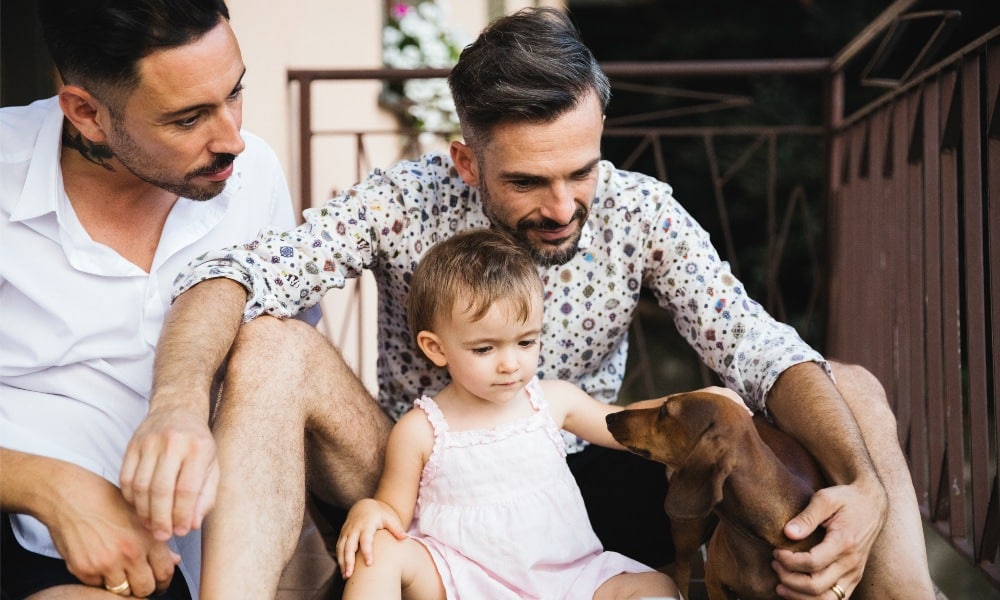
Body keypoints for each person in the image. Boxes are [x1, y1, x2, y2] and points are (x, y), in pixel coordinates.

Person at [123, 7, 937, 600]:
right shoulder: (404, 202)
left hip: (586, 485)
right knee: (270, 343)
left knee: (852, 390)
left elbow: (756, 345)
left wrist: (864, 484)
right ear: (467, 164)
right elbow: (234, 273)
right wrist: (175, 403)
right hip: (426, 479)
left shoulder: (639, 209)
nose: (562, 204)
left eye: (580, 169)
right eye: (526, 181)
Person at [0, 1, 320, 598]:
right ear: (87, 114)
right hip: (33, 543)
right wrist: (53, 488)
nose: (233, 140)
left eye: (235, 93)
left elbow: (281, 373)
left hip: (209, 563)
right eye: (188, 118)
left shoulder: (255, 178)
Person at [334, 228, 680, 600]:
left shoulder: (553, 401)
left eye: (526, 342)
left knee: (654, 586)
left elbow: (626, 427)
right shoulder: (422, 431)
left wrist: (688, 407)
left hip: (571, 580)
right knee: (380, 549)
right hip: (461, 579)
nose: (510, 364)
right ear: (436, 348)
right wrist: (370, 510)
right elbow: (392, 511)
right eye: (485, 349)